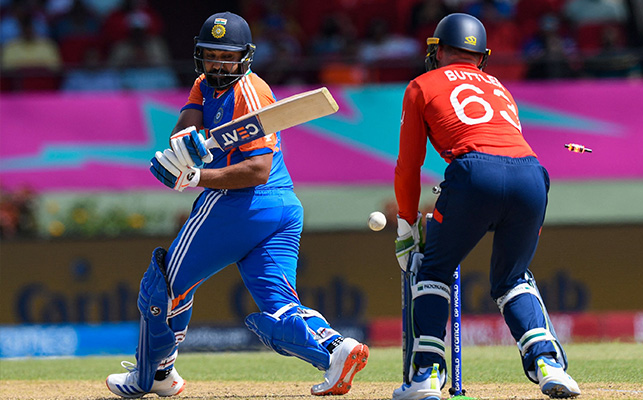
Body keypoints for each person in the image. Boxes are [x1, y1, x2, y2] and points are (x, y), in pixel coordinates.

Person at [105, 11, 369, 398]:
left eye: (226, 56)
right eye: (211, 55)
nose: (217, 63)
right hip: (281, 208)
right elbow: (185, 128)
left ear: (244, 57)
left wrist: (195, 176)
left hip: (240, 203)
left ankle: (153, 376)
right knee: (279, 308)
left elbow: (258, 169)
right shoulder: (203, 84)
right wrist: (186, 147)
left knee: (163, 287)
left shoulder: (250, 93)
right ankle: (334, 352)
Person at [392, 13, 580, 400]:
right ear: (481, 57)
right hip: (532, 175)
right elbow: (509, 150)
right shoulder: (499, 87)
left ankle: (426, 377)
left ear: (439, 50)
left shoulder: (421, 85)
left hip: (474, 172)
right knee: (513, 279)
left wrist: (407, 225)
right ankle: (549, 365)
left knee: (433, 270)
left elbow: (408, 167)